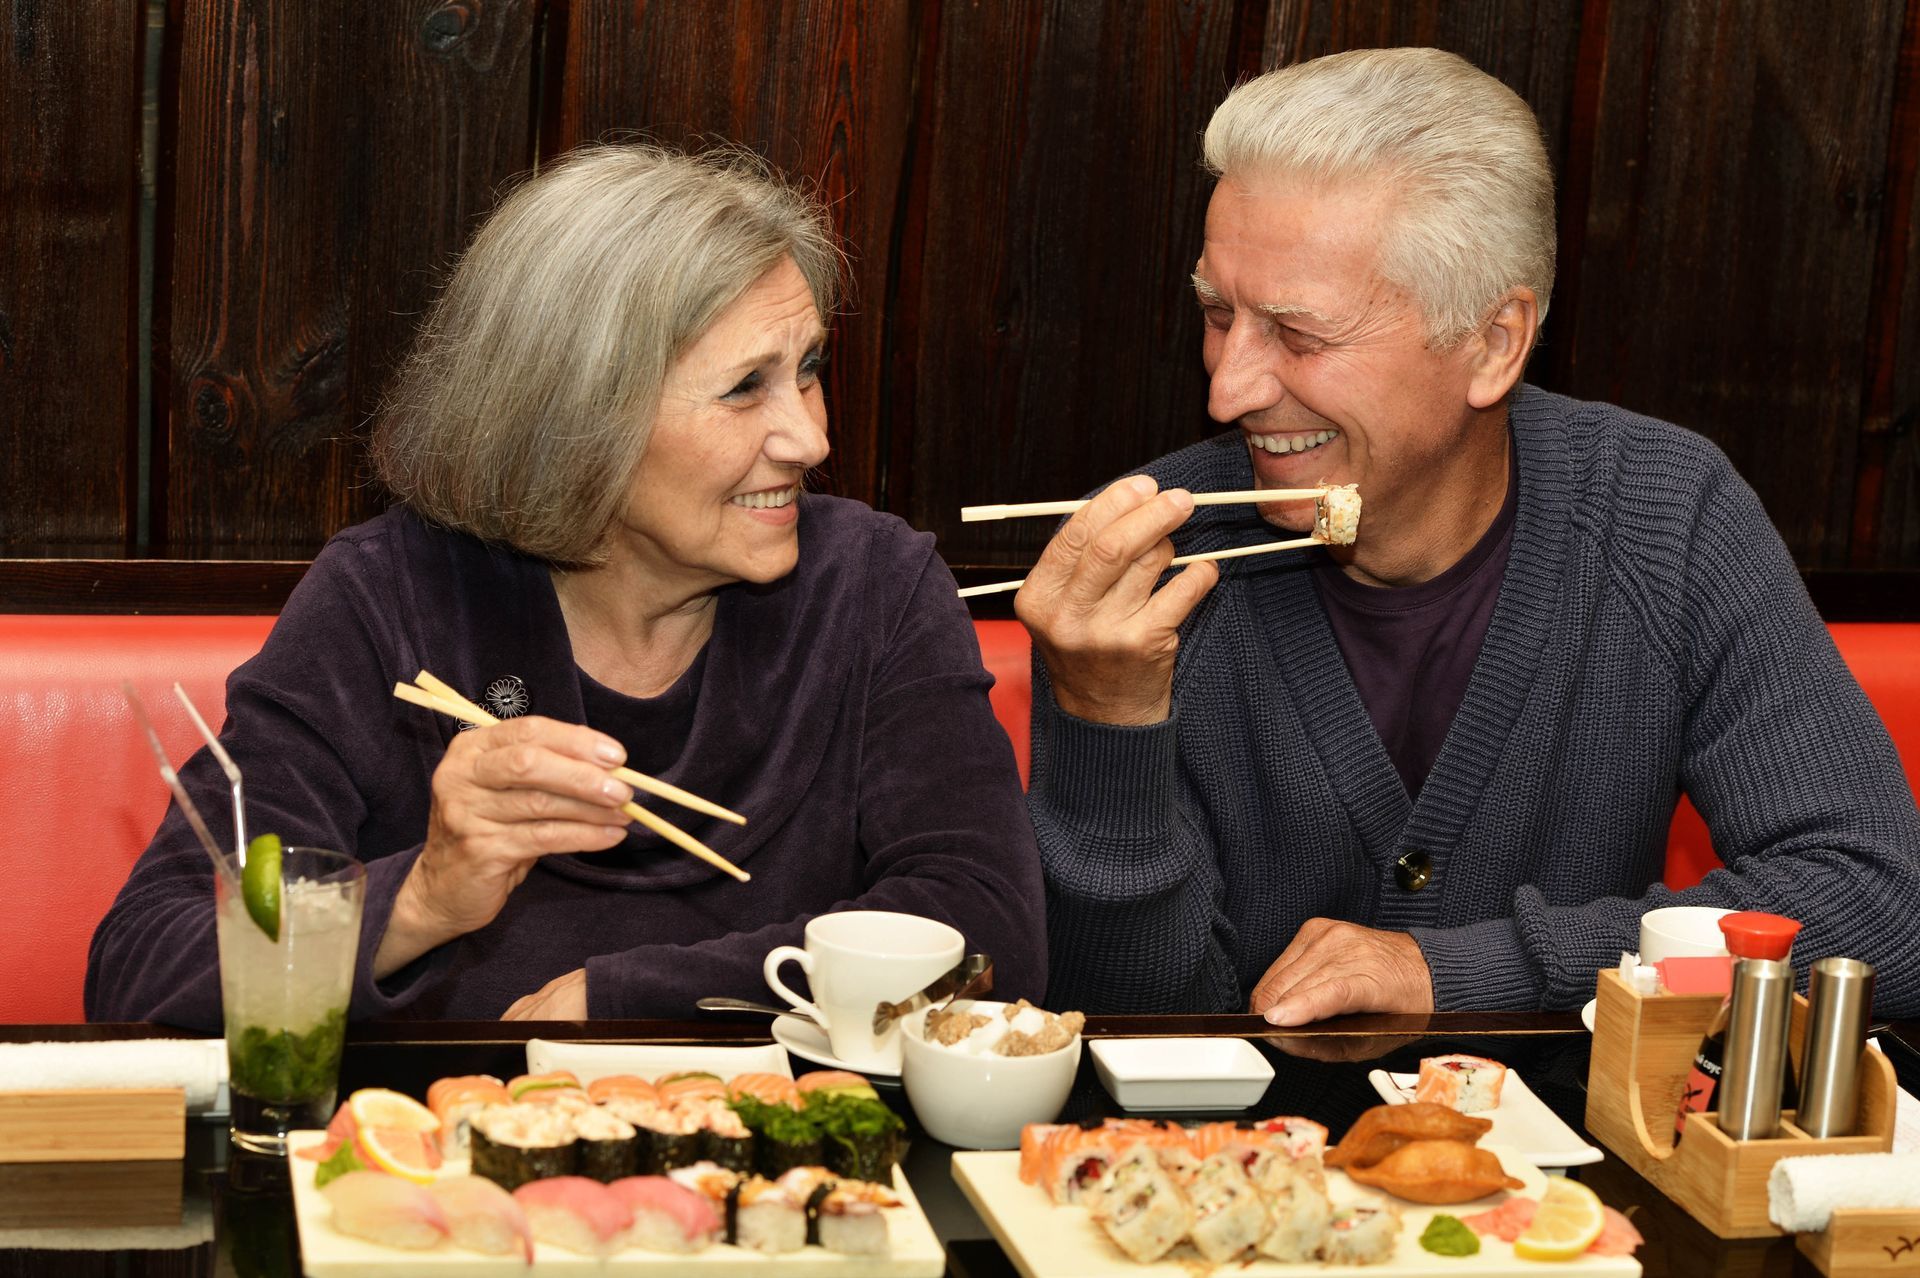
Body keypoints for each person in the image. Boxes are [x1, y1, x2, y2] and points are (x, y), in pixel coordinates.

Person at [1018, 48, 1920, 1022]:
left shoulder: (1660, 513)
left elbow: (1882, 907)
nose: (1228, 388)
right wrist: (1106, 728)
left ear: (1494, 343)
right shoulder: (1147, 564)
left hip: (1572, 1164)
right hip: (1235, 1165)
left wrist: (1462, 973)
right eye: (1216, 313)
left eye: (1299, 334)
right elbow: (1126, 1026)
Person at [87, 144, 1045, 1026]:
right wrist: (421, 897)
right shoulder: (394, 601)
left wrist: (628, 1003)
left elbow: (982, 930)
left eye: (809, 370)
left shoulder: (873, 588)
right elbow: (141, 973)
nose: (811, 438)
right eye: (745, 386)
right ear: (578, 418)